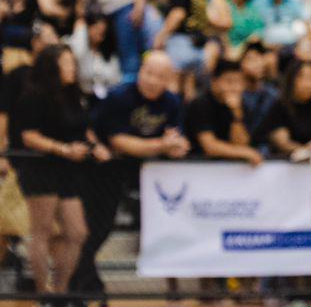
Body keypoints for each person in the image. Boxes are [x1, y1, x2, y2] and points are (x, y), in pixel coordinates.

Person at [78, 51, 189, 296]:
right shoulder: (120, 96)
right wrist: (161, 145)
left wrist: (176, 146)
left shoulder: (172, 102)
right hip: (105, 171)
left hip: (148, 174)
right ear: (140, 71)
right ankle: (83, 280)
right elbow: (119, 142)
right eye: (148, 73)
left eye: (159, 76)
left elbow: (177, 141)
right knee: (98, 228)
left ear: (168, 79)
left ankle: (87, 281)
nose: (151, 80)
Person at [10, 45, 108, 294]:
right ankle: (44, 290)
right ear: (52, 67)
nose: (71, 68)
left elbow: (83, 126)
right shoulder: (34, 96)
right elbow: (29, 136)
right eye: (66, 63)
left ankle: (61, 289)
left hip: (69, 171)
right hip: (42, 168)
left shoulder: (73, 95)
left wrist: (95, 146)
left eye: (72, 63)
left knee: (77, 232)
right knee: (40, 231)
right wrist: (63, 149)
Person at [260, 60, 311, 162]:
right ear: (292, 80)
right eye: (302, 77)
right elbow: (282, 142)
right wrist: (307, 151)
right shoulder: (280, 106)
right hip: (287, 165)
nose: (308, 83)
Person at [185, 59, 262, 164]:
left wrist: (236, 113)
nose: (236, 88)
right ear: (214, 82)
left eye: (239, 82)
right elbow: (210, 146)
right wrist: (245, 153)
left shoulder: (240, 104)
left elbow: (242, 144)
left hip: (226, 169)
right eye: (229, 81)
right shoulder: (200, 103)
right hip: (197, 166)